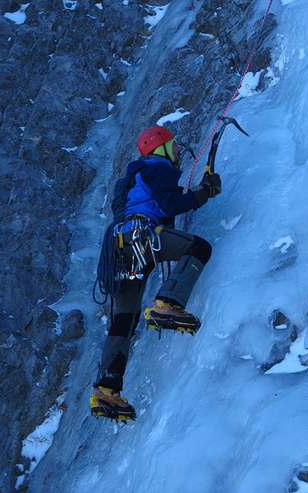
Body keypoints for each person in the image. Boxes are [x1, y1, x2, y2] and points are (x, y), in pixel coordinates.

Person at [90, 125, 221, 421]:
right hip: (142, 237)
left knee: (125, 318)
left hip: (118, 249)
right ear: (160, 148)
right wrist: (204, 192)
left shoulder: (129, 180)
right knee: (198, 248)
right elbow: (170, 204)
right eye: (174, 145)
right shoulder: (157, 166)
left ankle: (106, 390)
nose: (177, 151)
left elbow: (156, 202)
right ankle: (168, 304)